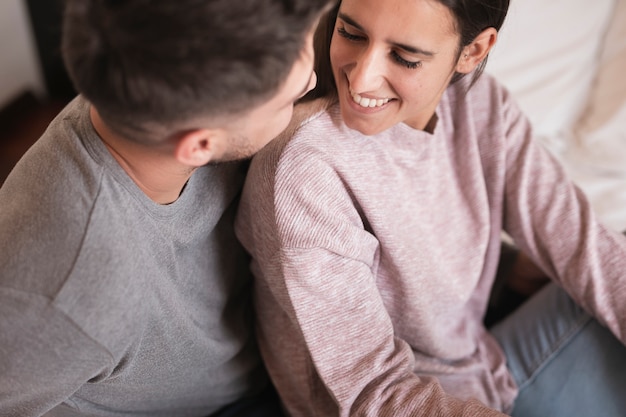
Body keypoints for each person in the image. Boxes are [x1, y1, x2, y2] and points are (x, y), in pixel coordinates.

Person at [234, 0, 626, 415]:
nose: (362, 79)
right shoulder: (305, 167)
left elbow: (586, 250)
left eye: (404, 57)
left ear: (473, 52)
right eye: (350, 33)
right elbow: (377, 394)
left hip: (490, 372)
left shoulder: (482, 107)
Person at [0, 0, 333, 415]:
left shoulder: (152, 89)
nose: (311, 83)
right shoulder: (65, 287)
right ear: (199, 146)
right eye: (286, 100)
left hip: (253, 351)